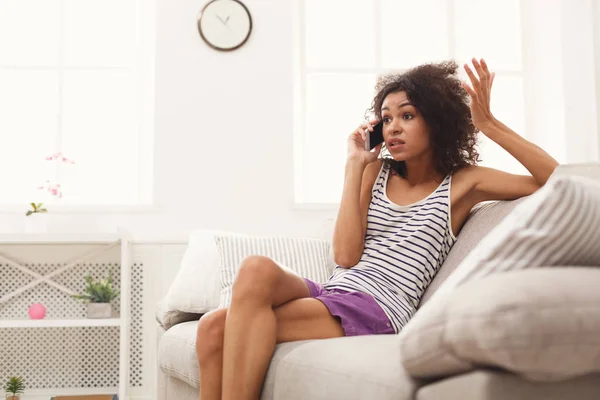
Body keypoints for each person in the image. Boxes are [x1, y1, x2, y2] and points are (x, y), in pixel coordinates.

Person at [194, 58, 559, 400]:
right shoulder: (374, 171)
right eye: (386, 119)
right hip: (338, 291)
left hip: (380, 308)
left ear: (437, 120)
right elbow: (345, 256)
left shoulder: (463, 183)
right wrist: (354, 166)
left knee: (221, 330)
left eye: (408, 115)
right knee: (231, 300)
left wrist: (490, 124)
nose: (394, 127)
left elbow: (557, 180)